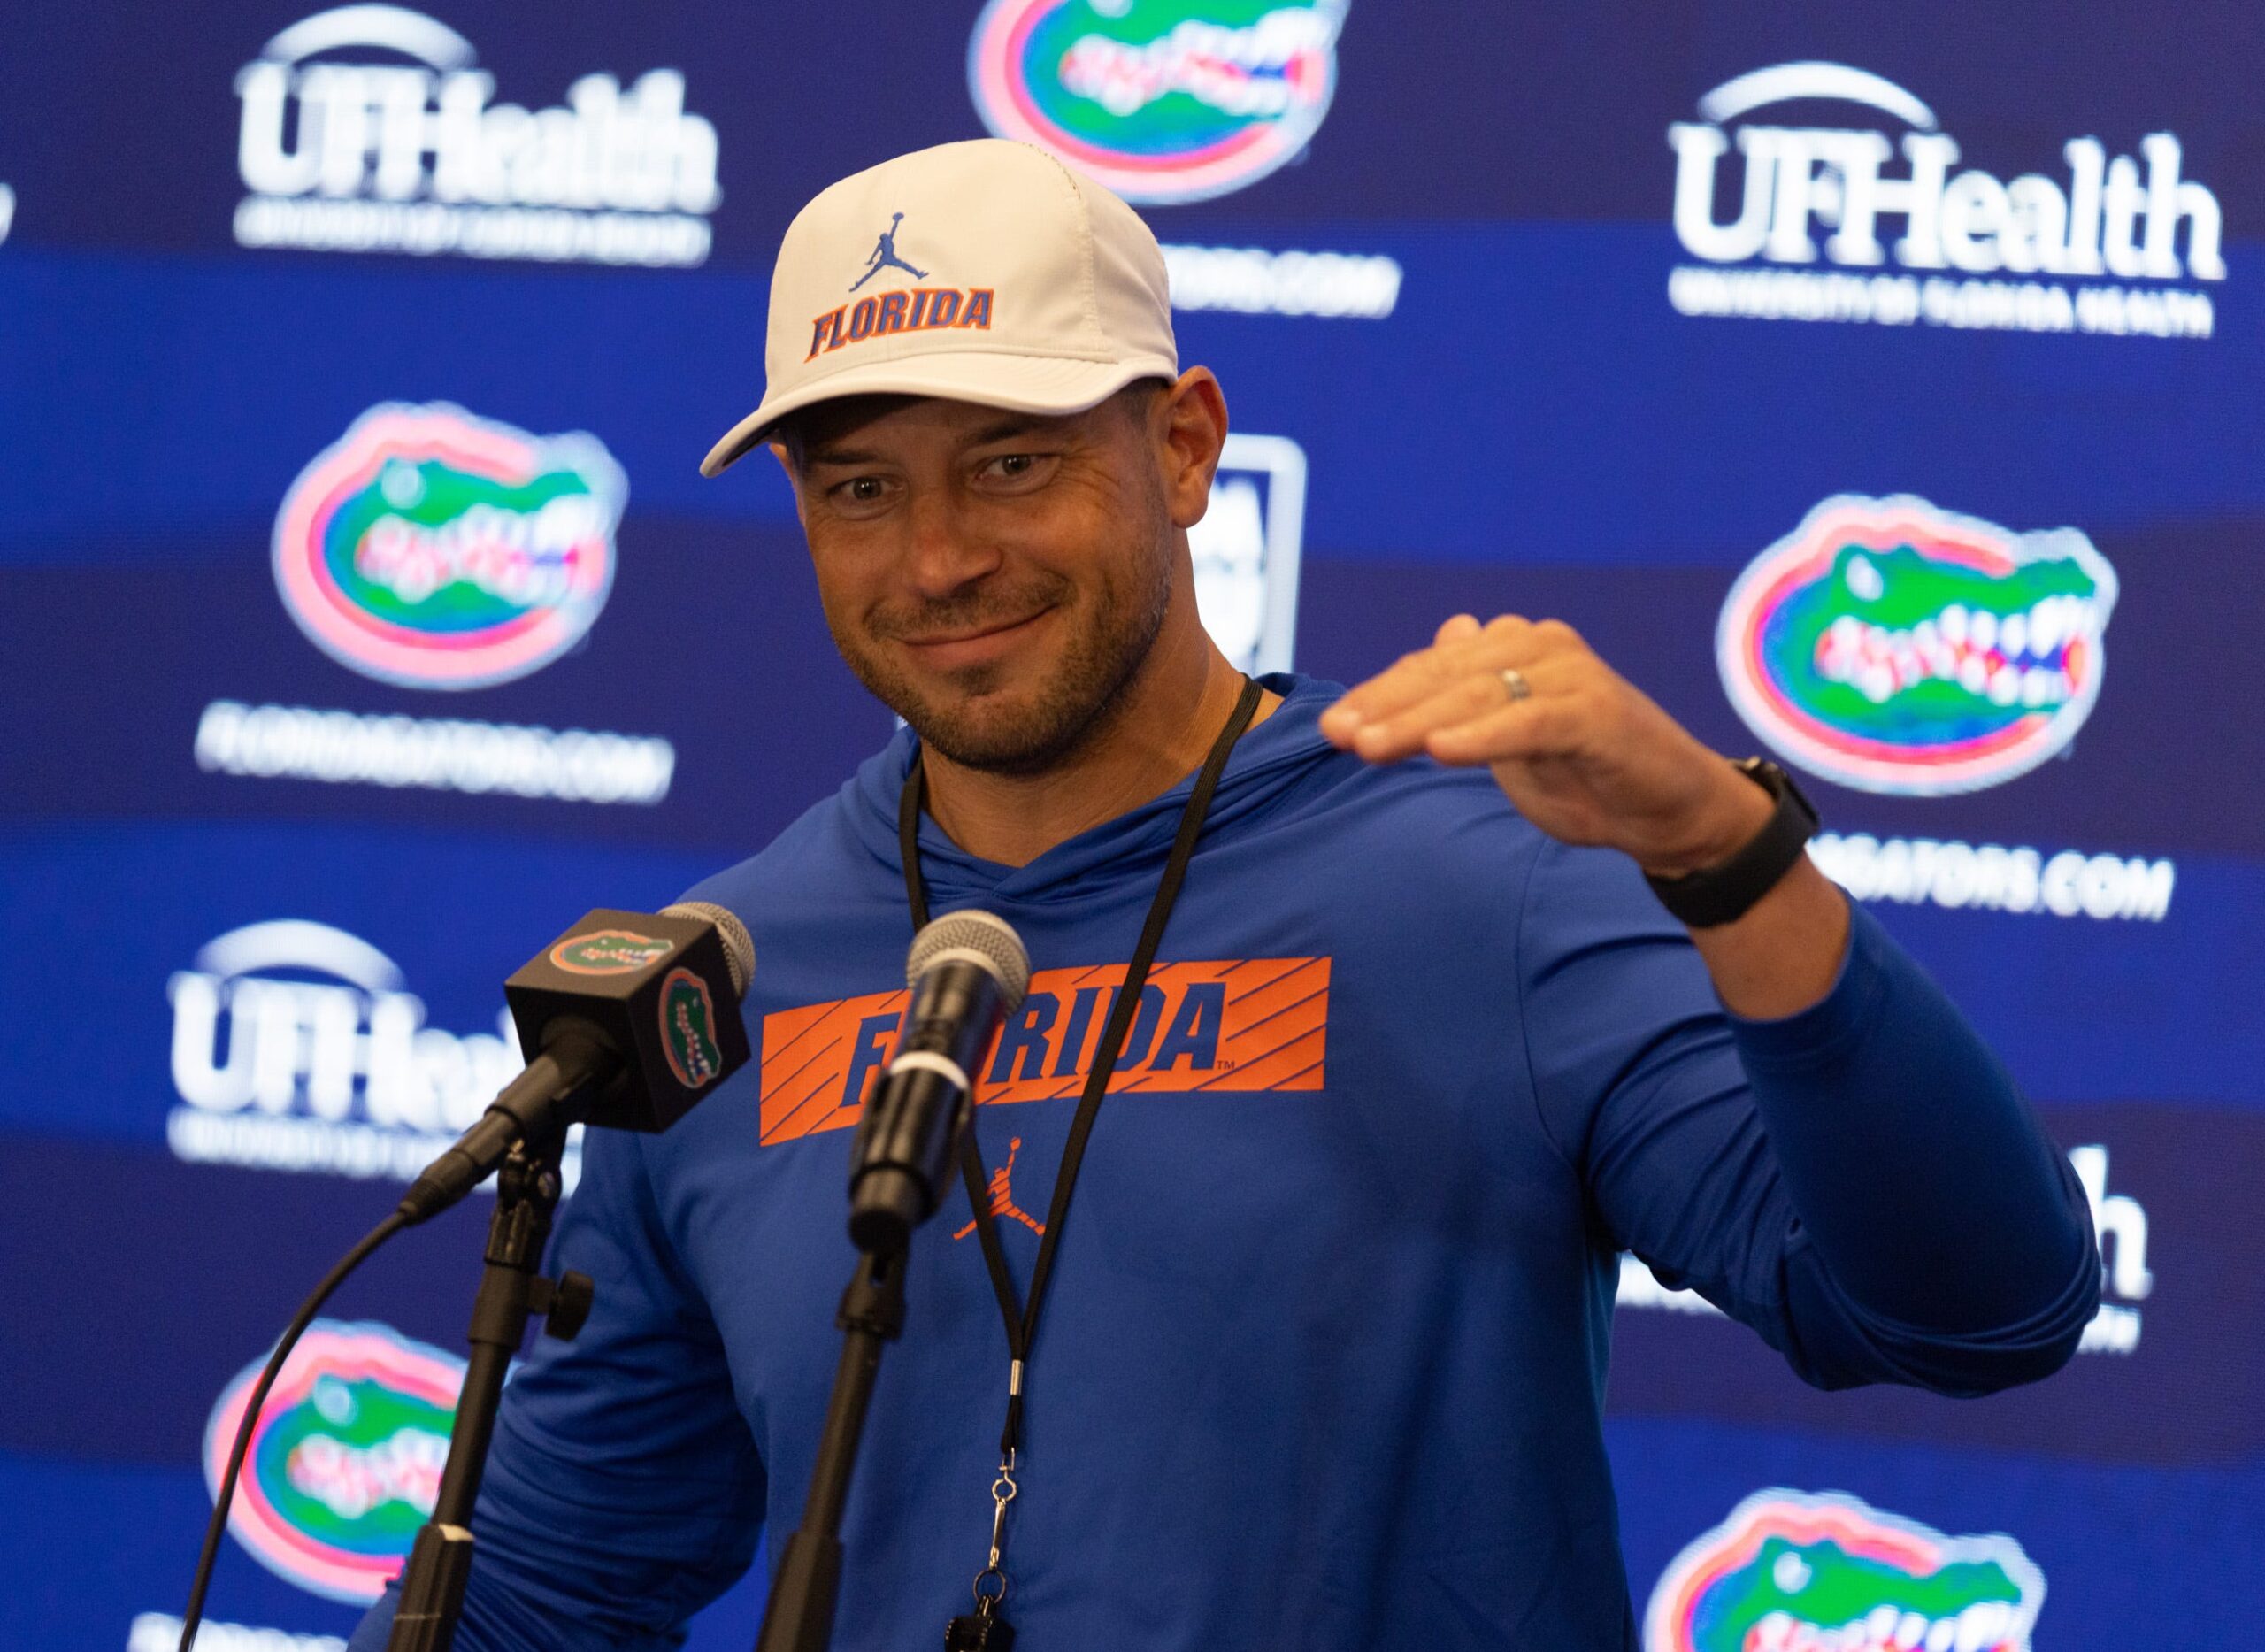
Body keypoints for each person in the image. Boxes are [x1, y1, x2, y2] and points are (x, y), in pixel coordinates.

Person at [349, 139, 2098, 1651]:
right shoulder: (724, 973)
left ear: (1183, 450)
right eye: (859, 489)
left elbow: (1975, 1309)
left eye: (1010, 463)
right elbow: (549, 1593)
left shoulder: (1480, 882)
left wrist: (1723, 857)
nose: (938, 556)